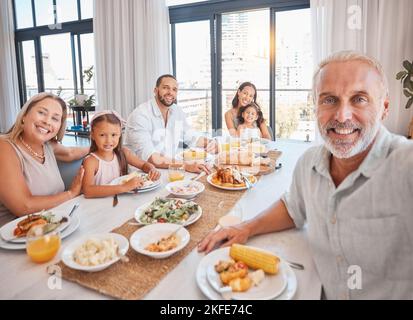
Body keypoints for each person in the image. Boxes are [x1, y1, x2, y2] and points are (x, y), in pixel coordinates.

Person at [198, 51, 413, 299]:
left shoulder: (405, 165)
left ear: (384, 107)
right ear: (315, 107)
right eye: (329, 100)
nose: (342, 116)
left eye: (359, 99)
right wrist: (245, 228)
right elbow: (292, 207)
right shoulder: (308, 163)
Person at [0, 93, 89, 225]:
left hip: (55, 224)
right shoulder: (5, 147)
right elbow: (24, 206)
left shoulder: (48, 146)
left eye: (55, 118)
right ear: (24, 115)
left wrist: (99, 145)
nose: (47, 121)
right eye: (42, 112)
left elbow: (70, 153)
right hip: (17, 236)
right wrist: (71, 193)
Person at [125, 74, 217, 174]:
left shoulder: (177, 111)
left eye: (174, 89)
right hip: (141, 177)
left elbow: (191, 137)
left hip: (169, 170)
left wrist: (210, 143)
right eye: (165, 88)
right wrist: (185, 165)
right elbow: (151, 157)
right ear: (156, 90)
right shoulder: (140, 115)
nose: (170, 93)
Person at [82, 111, 161, 198]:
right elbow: (88, 191)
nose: (108, 140)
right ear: (92, 135)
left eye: (113, 135)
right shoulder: (91, 161)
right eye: (102, 135)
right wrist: (124, 187)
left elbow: (143, 165)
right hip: (99, 207)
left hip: (120, 202)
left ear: (119, 134)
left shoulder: (123, 153)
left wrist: (152, 169)